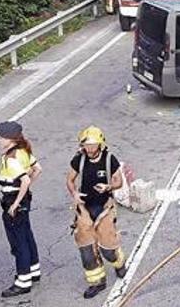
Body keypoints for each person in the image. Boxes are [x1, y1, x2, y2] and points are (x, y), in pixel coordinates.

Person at [66, 126, 127, 299]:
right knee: (86, 250)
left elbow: (119, 182)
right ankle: (97, 282)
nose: (90, 148)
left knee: (108, 248)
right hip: (84, 209)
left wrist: (109, 186)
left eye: (93, 145)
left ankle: (119, 262)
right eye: (87, 145)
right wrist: (75, 194)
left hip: (104, 208)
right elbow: (70, 180)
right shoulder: (79, 160)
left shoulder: (109, 160)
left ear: (100, 144)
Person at [0, 121, 43, 297]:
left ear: (10, 139)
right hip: (23, 200)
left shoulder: (11, 158)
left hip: (13, 202)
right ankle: (34, 269)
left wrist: (15, 203)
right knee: (27, 236)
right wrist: (25, 192)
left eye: (1, 137)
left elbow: (25, 180)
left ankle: (23, 280)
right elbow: (37, 169)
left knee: (18, 241)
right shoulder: (24, 151)